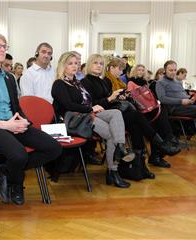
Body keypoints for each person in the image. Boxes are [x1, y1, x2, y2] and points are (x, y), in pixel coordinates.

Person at [0, 32, 62, 205]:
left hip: (12, 123)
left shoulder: (9, 77)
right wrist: (2, 124)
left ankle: (5, 171)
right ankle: (16, 183)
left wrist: (24, 121)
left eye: (4, 46)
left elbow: (17, 107)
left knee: (54, 148)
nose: (2, 49)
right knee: (19, 155)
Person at [52, 52, 137, 188]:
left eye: (76, 63)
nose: (74, 66)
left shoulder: (77, 83)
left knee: (115, 113)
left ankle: (120, 148)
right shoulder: (59, 84)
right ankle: (113, 172)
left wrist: (92, 108)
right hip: (73, 119)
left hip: (86, 115)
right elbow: (68, 105)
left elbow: (88, 103)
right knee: (111, 135)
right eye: (70, 63)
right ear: (63, 65)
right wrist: (91, 109)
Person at [82, 56, 180, 171]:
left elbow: (108, 101)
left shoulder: (101, 80)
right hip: (103, 117)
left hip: (112, 112)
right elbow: (92, 105)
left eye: (101, 63)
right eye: (95, 63)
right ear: (89, 64)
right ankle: (161, 144)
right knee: (138, 116)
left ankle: (140, 167)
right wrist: (111, 98)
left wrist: (119, 97)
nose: (99, 65)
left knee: (137, 125)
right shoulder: (86, 81)